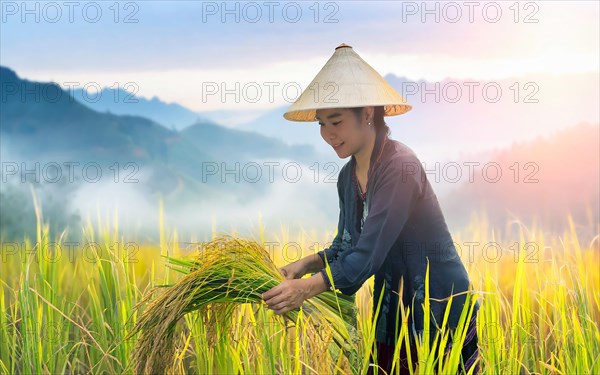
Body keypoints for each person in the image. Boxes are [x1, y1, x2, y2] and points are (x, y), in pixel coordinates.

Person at [262, 43, 479, 374]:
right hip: (393, 308)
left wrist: (304, 290)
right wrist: (301, 265)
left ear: (367, 114)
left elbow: (367, 256)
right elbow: (345, 246)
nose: (328, 134)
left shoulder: (399, 168)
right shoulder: (347, 177)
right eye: (320, 124)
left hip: (438, 306)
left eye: (335, 121)